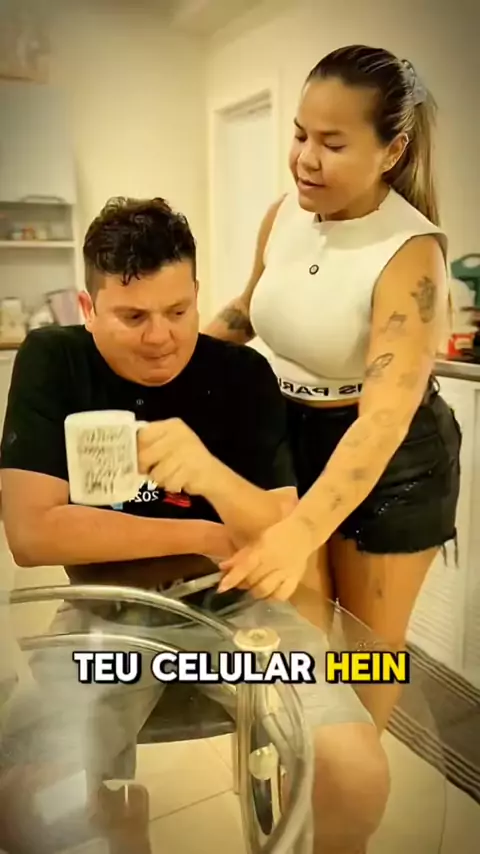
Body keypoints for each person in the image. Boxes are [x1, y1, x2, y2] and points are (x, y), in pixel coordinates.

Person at [0, 197, 389, 854]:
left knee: (357, 774)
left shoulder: (241, 374)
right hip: (107, 612)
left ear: (198, 294)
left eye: (178, 311)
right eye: (133, 317)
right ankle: (121, 820)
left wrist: (210, 475)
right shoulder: (53, 359)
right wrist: (205, 535)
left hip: (239, 609)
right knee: (27, 800)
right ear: (88, 308)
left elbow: (279, 529)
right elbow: (33, 535)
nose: (161, 337)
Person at [205, 44, 462, 730]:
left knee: (366, 652)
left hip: (389, 463)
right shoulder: (284, 216)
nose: (306, 159)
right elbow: (248, 309)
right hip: (291, 434)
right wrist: (169, 363)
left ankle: (356, 771)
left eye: (333, 143)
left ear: (392, 150)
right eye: (300, 135)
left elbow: (382, 421)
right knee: (302, 639)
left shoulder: (411, 253)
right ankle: (308, 759)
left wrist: (298, 533)